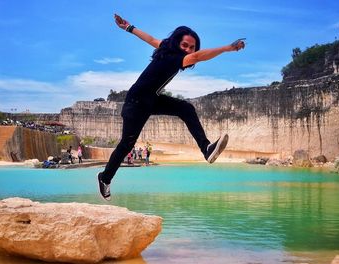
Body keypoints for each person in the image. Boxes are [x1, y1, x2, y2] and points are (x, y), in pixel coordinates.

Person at [97, 14, 245, 201]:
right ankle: (105, 178)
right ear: (176, 43)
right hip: (136, 102)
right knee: (127, 144)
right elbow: (199, 57)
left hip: (152, 99)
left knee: (186, 109)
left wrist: (129, 27)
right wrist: (227, 48)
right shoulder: (174, 58)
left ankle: (206, 149)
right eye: (185, 45)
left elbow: (150, 39)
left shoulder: (165, 48)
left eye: (191, 47)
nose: (188, 50)